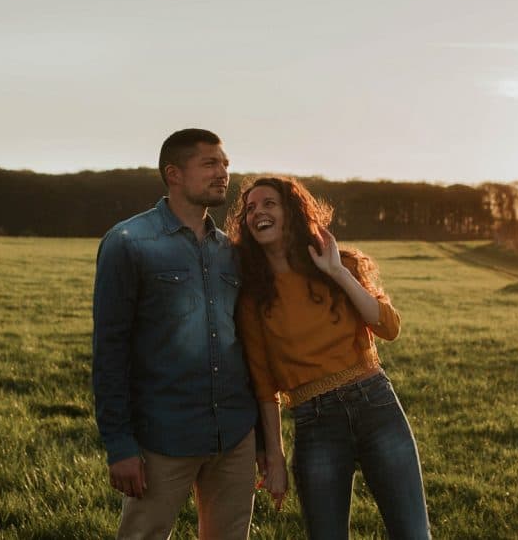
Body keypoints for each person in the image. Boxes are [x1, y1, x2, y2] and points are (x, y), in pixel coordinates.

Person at [228, 176, 430, 539]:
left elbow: (389, 326)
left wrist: (336, 271)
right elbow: (263, 386)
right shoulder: (252, 297)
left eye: (268, 203)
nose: (258, 211)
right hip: (314, 423)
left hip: (376, 407)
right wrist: (274, 456)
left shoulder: (341, 265)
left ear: (290, 211)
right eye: (250, 208)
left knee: (413, 534)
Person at [92, 129, 261, 540]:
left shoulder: (232, 252)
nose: (223, 173)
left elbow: (249, 343)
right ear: (174, 174)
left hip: (234, 432)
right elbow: (109, 350)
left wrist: (261, 440)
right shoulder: (129, 242)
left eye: (225, 164)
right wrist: (120, 445)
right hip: (162, 435)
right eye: (210, 164)